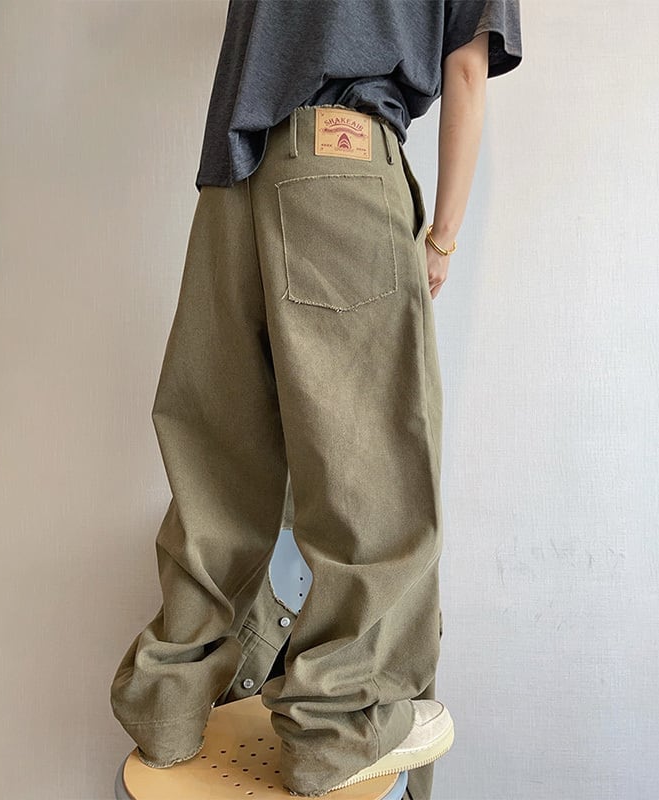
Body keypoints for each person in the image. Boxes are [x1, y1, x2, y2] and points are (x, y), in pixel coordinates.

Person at [110, 1, 522, 797]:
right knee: (372, 477)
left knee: (216, 471)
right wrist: (442, 237)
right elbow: (466, 71)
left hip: (230, 180)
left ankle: (168, 704)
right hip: (342, 163)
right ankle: (339, 725)